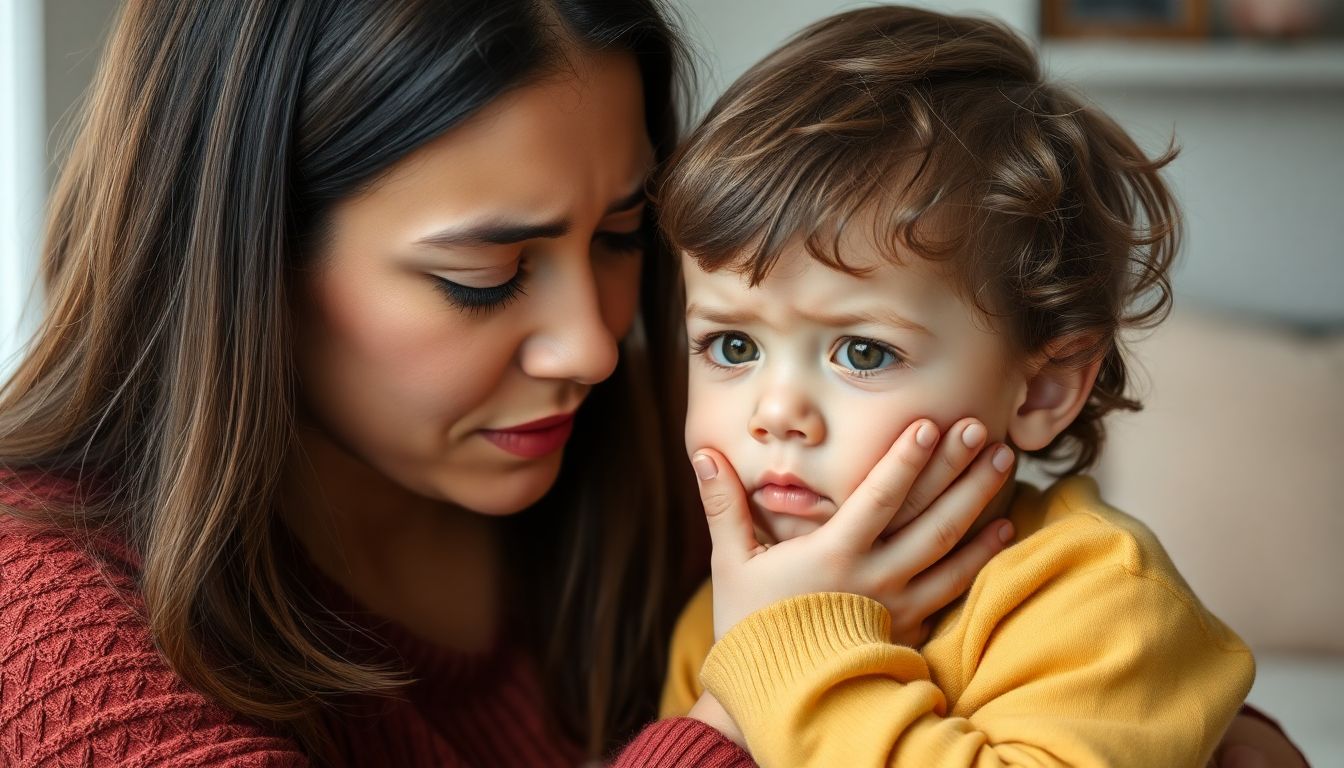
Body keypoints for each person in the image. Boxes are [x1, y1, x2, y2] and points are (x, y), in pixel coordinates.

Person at [0, 1, 1306, 766]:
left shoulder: (703, 492)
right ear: (243, 262)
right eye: (484, 273)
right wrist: (752, 686)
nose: (595, 343)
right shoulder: (45, 630)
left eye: (622, 239)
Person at [653, 6, 1307, 767]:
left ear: (1041, 392)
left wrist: (788, 647)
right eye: (732, 344)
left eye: (862, 353)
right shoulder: (725, 606)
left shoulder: (1100, 606)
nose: (776, 413)